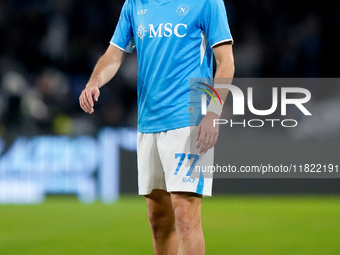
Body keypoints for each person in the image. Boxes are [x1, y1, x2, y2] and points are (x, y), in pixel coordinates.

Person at [79, 0, 234, 254]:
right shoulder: (135, 4)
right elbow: (114, 54)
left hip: (189, 119)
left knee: (185, 217)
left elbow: (226, 62)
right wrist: (94, 82)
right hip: (149, 122)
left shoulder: (206, 2)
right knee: (159, 221)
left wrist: (213, 113)